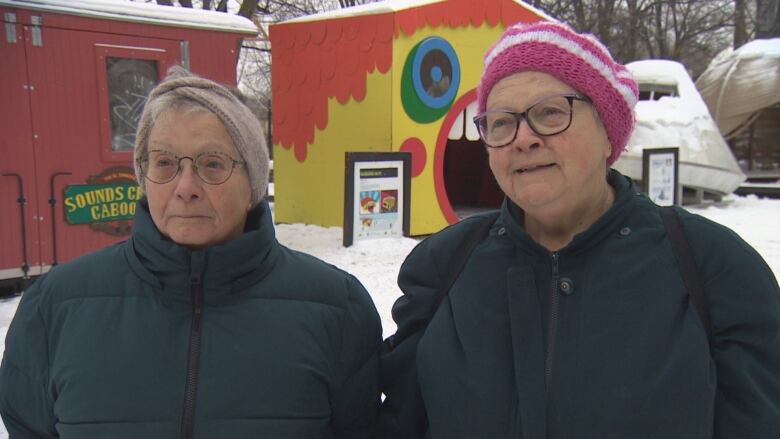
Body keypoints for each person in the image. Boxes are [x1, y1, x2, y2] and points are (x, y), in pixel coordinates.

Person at [377, 21, 780, 439]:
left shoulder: (715, 270)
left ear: (608, 132)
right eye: (501, 122)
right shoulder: (444, 267)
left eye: (551, 112)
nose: (524, 138)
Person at [0, 66, 382, 438]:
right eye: (164, 163)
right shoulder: (55, 308)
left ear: (252, 181)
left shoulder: (337, 310)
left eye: (212, 164)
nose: (185, 186)